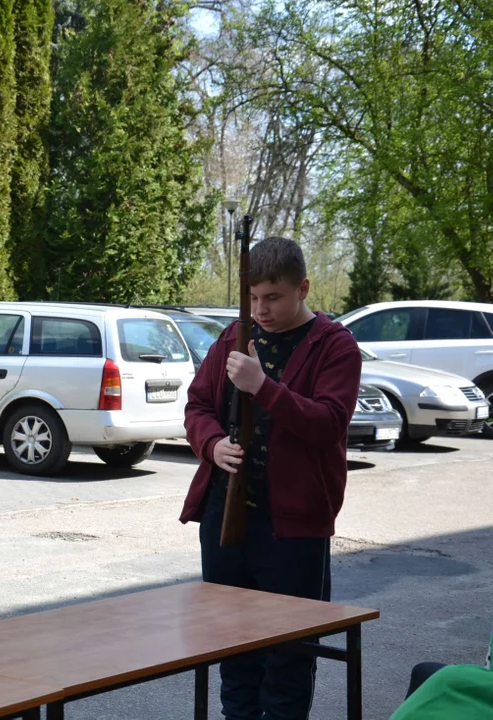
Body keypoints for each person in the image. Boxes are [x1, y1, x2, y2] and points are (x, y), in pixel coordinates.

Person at [179, 237, 362, 720]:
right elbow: (197, 407)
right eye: (254, 297)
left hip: (294, 525)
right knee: (233, 648)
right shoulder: (230, 339)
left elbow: (327, 424)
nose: (261, 309)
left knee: (290, 655)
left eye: (274, 297)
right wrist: (213, 444)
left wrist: (263, 386)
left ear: (303, 288)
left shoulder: (334, 345)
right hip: (225, 516)